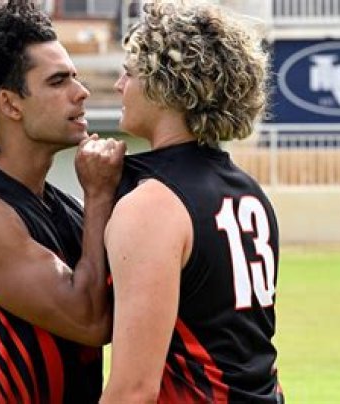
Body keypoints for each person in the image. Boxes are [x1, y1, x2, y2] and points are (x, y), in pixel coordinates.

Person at [0, 1, 125, 402]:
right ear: (10, 104)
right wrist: (98, 195)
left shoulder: (64, 206)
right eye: (58, 81)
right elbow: (90, 319)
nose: (81, 92)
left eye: (75, 78)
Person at [101, 1, 284, 402]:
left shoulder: (152, 206)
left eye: (129, 73)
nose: (118, 85)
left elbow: (133, 390)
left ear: (166, 86)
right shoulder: (249, 192)